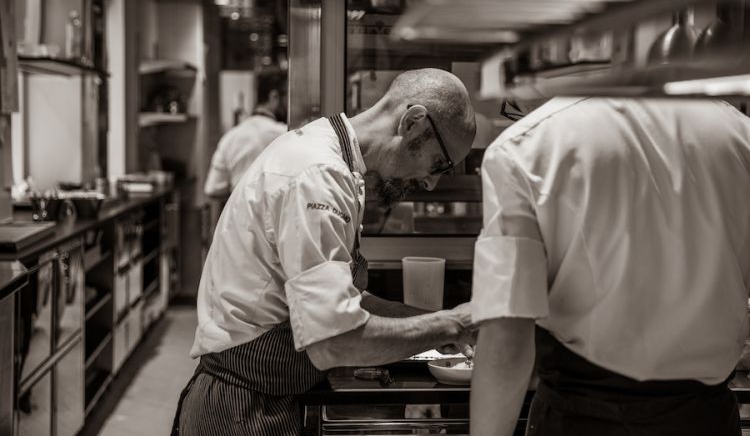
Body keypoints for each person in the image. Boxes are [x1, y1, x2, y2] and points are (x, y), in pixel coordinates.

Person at [174, 68, 477, 436]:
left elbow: (346, 303)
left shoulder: (338, 163)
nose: (432, 183)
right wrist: (455, 323)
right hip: (240, 412)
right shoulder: (317, 175)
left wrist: (443, 327)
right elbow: (333, 341)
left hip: (267, 399)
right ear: (412, 122)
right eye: (440, 163)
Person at [469, 96, 750, 436]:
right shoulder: (738, 133)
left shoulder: (527, 146)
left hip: (580, 421)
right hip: (705, 421)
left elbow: (507, 337)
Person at [203, 73, 288, 200]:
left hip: (238, 218)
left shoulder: (230, 137)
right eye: (287, 97)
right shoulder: (285, 134)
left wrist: (240, 194)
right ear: (274, 97)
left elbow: (213, 189)